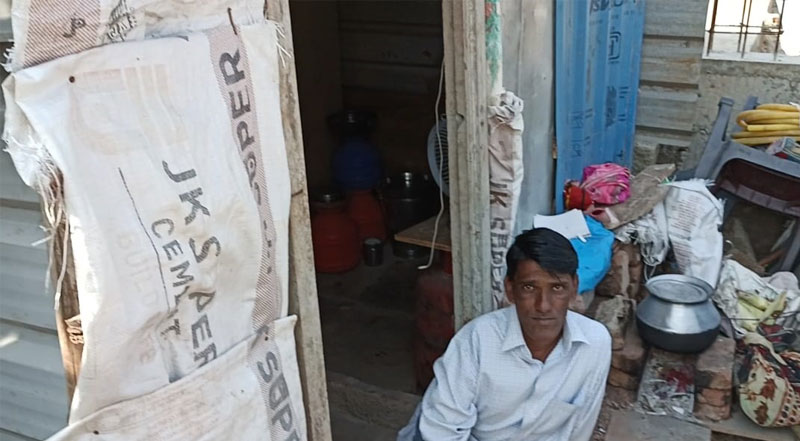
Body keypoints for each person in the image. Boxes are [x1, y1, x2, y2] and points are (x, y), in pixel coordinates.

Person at [398, 228, 612, 441]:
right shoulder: (477, 340)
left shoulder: (594, 343)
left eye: (557, 288)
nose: (543, 306)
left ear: (574, 288)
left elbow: (580, 427)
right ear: (510, 289)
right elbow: (440, 432)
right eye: (529, 287)